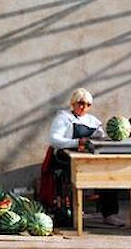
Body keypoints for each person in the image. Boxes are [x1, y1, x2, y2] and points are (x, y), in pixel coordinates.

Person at [40, 88, 125, 227]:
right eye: (80, 103)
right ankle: (73, 213)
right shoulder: (63, 118)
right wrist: (76, 143)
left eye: (87, 105)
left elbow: (101, 137)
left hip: (87, 156)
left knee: (107, 173)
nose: (83, 107)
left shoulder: (93, 121)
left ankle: (110, 214)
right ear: (73, 103)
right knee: (75, 178)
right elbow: (54, 140)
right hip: (65, 157)